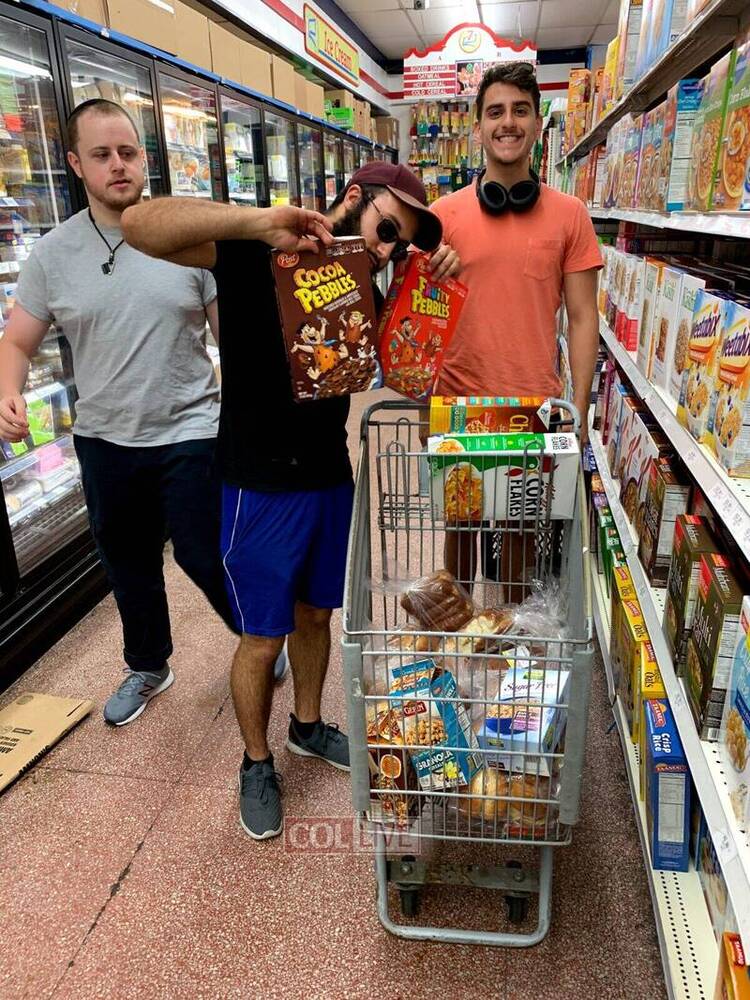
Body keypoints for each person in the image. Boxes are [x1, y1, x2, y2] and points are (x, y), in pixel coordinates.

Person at [121, 162, 460, 841]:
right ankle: (255, 761)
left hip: (329, 475)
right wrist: (257, 222)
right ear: (354, 198)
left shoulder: (367, 284)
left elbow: (410, 373)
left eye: (400, 243)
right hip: (258, 483)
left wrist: (434, 284)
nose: (389, 248)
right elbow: (138, 225)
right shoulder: (255, 251)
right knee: (261, 635)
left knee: (315, 614)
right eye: (388, 228)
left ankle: (307, 726)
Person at [0, 98, 285, 727]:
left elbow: (234, 339)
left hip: (192, 428)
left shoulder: (189, 241)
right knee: (126, 563)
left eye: (128, 152)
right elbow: (17, 341)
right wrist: (6, 390)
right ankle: (149, 664)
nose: (118, 165)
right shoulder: (53, 254)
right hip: (104, 438)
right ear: (75, 163)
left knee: (204, 553)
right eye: (101, 154)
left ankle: (259, 638)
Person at [430, 61, 602, 593]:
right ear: (477, 127)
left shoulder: (570, 214)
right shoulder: (441, 216)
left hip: (534, 404)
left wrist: (578, 406)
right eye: (496, 112)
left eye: (521, 110)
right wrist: (429, 280)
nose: (508, 122)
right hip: (460, 404)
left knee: (520, 540)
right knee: (459, 533)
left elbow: (582, 316)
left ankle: (510, 637)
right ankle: (458, 634)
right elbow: (415, 320)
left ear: (536, 123)